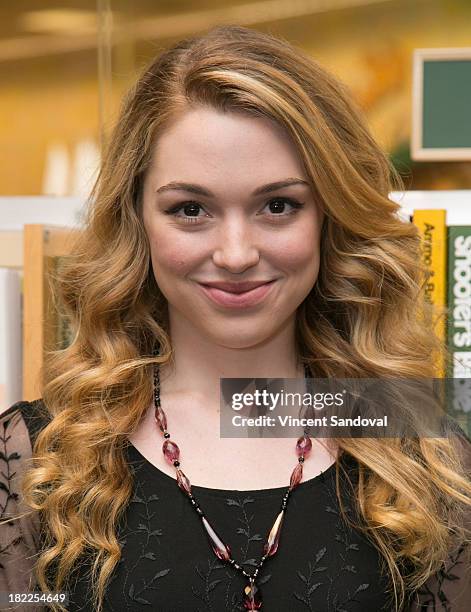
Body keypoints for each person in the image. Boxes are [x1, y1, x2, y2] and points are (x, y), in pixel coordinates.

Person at [1, 25, 470, 612]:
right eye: (190, 209)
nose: (236, 253)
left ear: (330, 217)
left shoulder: (427, 462)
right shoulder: (39, 460)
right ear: (136, 221)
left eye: (278, 205)